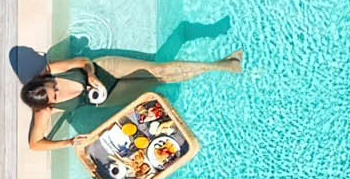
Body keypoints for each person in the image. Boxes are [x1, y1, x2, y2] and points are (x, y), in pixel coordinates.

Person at [24, 51, 243, 152]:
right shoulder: (43, 112)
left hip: (103, 69)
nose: (57, 91)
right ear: (47, 105)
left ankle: (223, 65)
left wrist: (91, 75)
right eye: (55, 97)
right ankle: (224, 65)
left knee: (159, 69)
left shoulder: (50, 71)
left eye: (52, 87)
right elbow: (35, 144)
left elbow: (83, 61)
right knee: (158, 80)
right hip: (107, 96)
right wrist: (69, 142)